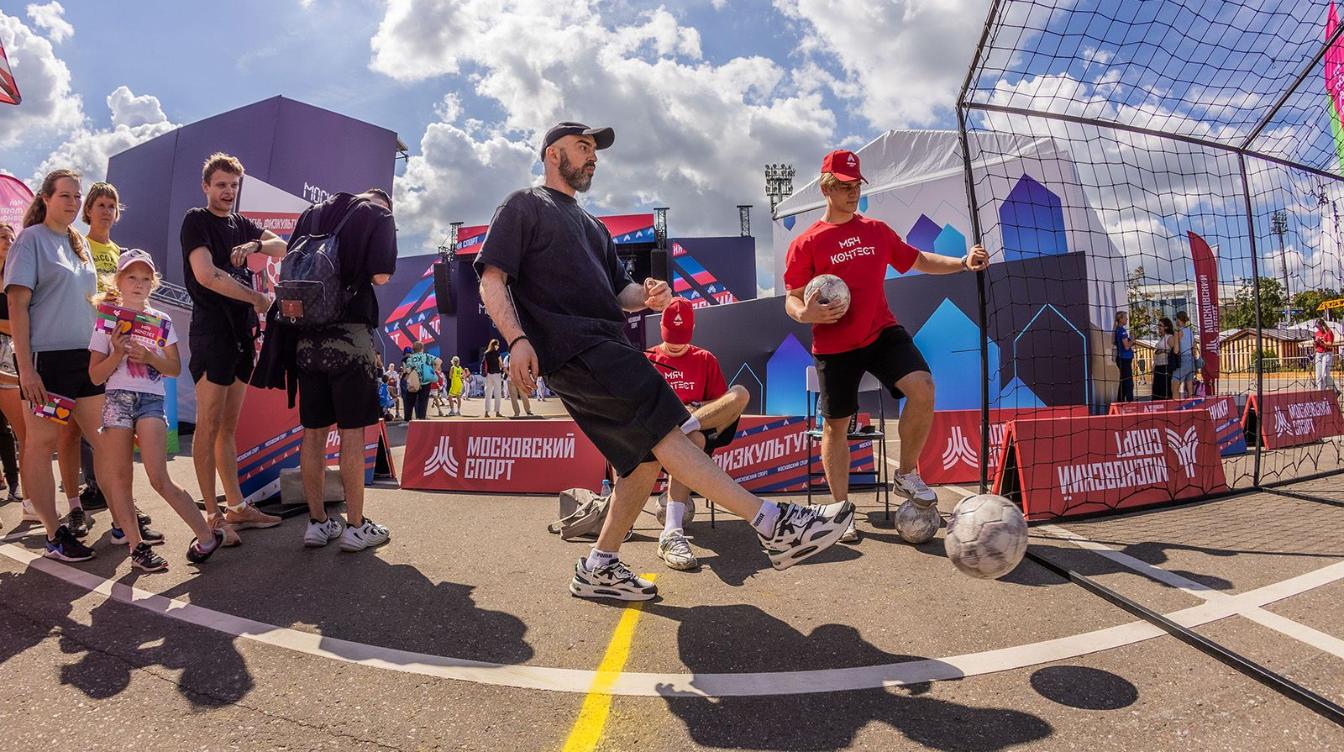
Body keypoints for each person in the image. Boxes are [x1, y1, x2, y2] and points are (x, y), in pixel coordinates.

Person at [477, 120, 851, 602]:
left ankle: (599, 566)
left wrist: (647, 296)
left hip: (605, 344)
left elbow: (622, 293)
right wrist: (516, 340)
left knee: (642, 462)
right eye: (582, 146)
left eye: (594, 150)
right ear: (553, 153)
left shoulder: (593, 226)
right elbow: (491, 278)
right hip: (576, 346)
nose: (592, 156)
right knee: (668, 434)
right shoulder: (525, 204)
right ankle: (772, 523)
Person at [783, 149, 990, 542]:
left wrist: (963, 262)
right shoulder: (806, 242)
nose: (853, 192)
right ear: (826, 188)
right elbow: (792, 299)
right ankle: (841, 512)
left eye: (857, 185)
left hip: (881, 332)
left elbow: (918, 259)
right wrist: (805, 313)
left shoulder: (876, 230)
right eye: (845, 186)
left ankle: (906, 473)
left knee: (923, 387)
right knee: (836, 427)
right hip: (834, 345)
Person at [258, 188, 397, 552]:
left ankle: (317, 523)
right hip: (350, 338)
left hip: (305, 339)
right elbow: (381, 276)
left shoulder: (312, 213)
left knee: (314, 432)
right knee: (352, 433)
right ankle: (355, 527)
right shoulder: (378, 214)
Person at [88, 249, 225, 570]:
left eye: (145, 279)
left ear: (153, 283)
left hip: (151, 400)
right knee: (121, 478)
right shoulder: (107, 320)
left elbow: (174, 368)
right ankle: (137, 548)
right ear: (118, 281)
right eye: (132, 277)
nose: (139, 284)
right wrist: (117, 353)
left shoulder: (161, 320)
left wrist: (150, 357)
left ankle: (207, 537)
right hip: (117, 400)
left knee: (159, 477)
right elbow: (95, 375)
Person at [4, 169, 110, 561]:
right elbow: (17, 305)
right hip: (47, 362)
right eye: (65, 195)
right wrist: (26, 369)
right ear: (45, 198)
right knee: (42, 444)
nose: (73, 202)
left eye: (77, 196)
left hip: (86, 359)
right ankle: (54, 534)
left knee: (106, 440)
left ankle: (124, 521)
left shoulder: (78, 242)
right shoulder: (30, 240)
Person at [181, 153, 287, 540]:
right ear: (206, 186)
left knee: (227, 427)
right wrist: (256, 298)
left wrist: (256, 243)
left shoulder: (242, 224)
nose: (228, 191)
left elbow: (282, 247)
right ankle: (212, 516)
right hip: (213, 333)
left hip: (243, 336)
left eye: (233, 185)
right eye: (221, 185)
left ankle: (237, 508)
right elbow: (206, 275)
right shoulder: (196, 220)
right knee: (208, 426)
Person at [645, 298, 749, 570]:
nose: (675, 344)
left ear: (692, 329)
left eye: (681, 337)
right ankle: (671, 530)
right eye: (670, 336)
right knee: (690, 442)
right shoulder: (648, 359)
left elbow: (720, 404)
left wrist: (696, 409)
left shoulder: (705, 358)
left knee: (740, 393)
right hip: (661, 434)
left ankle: (686, 426)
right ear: (661, 326)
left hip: (698, 427)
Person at [76, 182, 124, 512]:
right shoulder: (80, 246)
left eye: (111, 206)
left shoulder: (119, 251)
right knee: (88, 418)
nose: (106, 211)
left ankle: (113, 484)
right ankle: (93, 485)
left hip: (115, 341)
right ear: (88, 210)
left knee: (111, 414)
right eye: (100, 205)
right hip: (88, 339)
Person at [0, 223, 23, 505]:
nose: (8, 241)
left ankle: (17, 485)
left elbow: (22, 324)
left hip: (14, 358)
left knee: (18, 430)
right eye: (2, 237)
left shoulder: (19, 277)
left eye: (11, 237)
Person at [401, 341, 434, 421]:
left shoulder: (409, 359)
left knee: (409, 402)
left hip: (413, 382)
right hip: (425, 381)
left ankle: (408, 420)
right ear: (422, 349)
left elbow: (407, 370)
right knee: (423, 402)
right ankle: (421, 419)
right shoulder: (427, 356)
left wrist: (406, 378)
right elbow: (437, 362)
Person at [1172, 310, 1197, 398]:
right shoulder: (1190, 331)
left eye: (1176, 319)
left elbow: (1176, 350)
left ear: (1179, 320)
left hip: (1183, 360)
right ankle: (1192, 404)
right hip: (1191, 360)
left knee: (1175, 387)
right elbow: (1194, 348)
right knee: (1190, 388)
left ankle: (1176, 405)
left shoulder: (1178, 331)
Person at [1113, 311, 1134, 403]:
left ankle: (1120, 401)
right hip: (1124, 359)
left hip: (1121, 359)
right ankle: (1130, 402)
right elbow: (1126, 346)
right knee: (1128, 383)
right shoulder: (1122, 331)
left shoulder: (1117, 330)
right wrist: (1132, 339)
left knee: (1123, 382)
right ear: (1120, 319)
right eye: (1125, 317)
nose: (1127, 319)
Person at [504, 350, 534, 416]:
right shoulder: (510, 358)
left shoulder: (508, 358)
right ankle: (520, 412)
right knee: (516, 397)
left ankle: (523, 411)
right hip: (513, 380)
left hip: (517, 379)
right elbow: (505, 368)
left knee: (522, 396)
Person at [1152, 317, 1175, 401]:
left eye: (1160, 325)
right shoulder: (1162, 338)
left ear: (1166, 327)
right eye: (1158, 325)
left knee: (1164, 390)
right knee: (1156, 390)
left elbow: (1175, 351)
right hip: (1158, 366)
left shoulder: (1170, 337)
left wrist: (1163, 351)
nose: (1158, 327)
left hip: (1165, 366)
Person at [1314, 318, 1338, 393]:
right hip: (1318, 354)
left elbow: (1330, 345)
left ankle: (1335, 391)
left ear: (1322, 325)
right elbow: (1315, 346)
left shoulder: (1329, 332)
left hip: (1327, 354)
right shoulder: (1317, 333)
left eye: (1318, 326)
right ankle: (1320, 393)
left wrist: (1322, 342)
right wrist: (1315, 342)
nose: (1318, 328)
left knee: (1325, 375)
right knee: (1318, 376)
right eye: (1316, 327)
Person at [481, 338, 504, 417]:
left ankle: (486, 412)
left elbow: (484, 364)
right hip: (497, 374)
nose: (498, 346)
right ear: (495, 345)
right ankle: (497, 412)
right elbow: (501, 364)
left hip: (488, 375)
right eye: (498, 345)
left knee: (488, 394)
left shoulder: (486, 353)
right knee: (497, 393)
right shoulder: (497, 353)